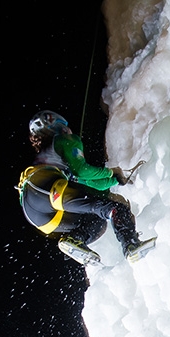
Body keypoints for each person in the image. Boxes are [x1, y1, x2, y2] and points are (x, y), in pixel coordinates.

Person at [15, 110, 154, 265]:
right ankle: (131, 245)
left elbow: (89, 183)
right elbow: (81, 170)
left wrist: (115, 180)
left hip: (39, 215)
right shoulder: (65, 139)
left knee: (97, 220)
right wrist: (111, 171)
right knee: (115, 209)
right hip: (46, 186)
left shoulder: (50, 157)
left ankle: (75, 239)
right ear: (58, 126)